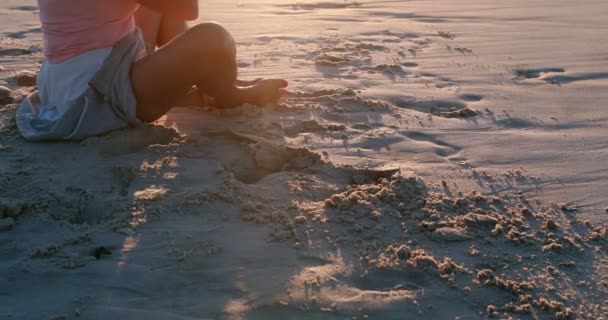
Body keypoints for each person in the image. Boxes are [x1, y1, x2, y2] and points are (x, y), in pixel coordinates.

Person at [16, 0, 288, 141]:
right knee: (215, 38)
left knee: (162, 12)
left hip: (74, 73)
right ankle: (226, 94)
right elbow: (189, 8)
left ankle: (195, 82)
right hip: (94, 93)